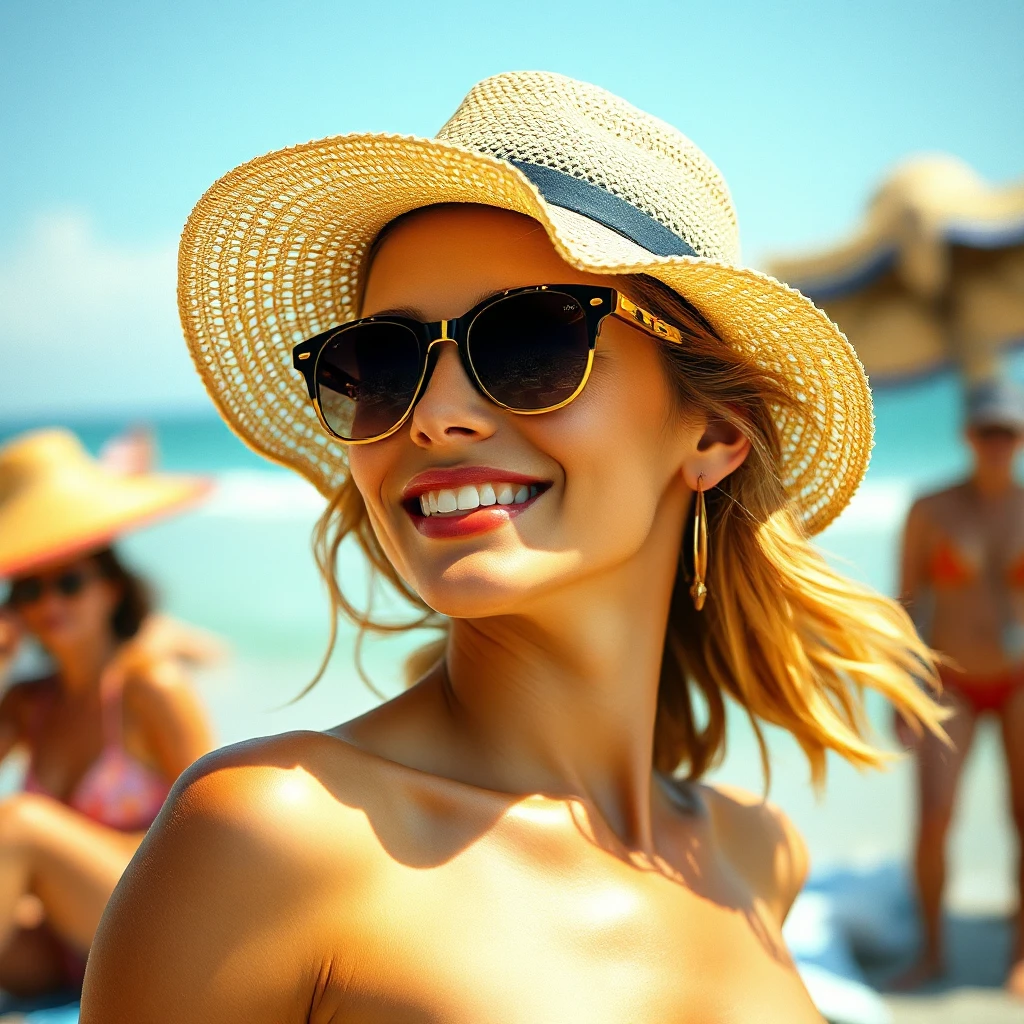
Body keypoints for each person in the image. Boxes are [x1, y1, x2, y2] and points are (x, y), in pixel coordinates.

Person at [83, 72, 945, 1022]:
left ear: (712, 435)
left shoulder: (757, 859)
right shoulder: (266, 843)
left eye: (532, 341)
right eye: (380, 363)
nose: (436, 415)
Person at [0, 428, 214, 998]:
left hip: (154, 931)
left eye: (68, 582)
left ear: (111, 588)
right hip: (64, 944)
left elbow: (214, 833)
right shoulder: (28, 703)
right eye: (28, 590)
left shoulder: (148, 687)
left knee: (20, 822)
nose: (49, 604)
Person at [896, 377, 1024, 994]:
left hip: (1019, 679)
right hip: (950, 678)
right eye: (987, 432)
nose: (997, 443)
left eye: (1008, 432)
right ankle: (931, 951)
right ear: (968, 436)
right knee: (934, 817)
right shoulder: (932, 508)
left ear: (1019, 439)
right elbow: (904, 604)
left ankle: (1022, 957)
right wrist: (901, 687)